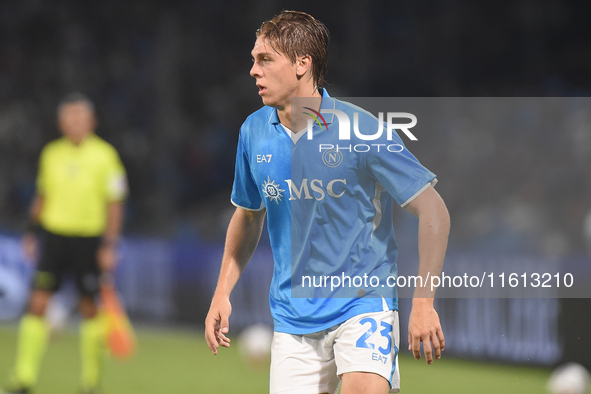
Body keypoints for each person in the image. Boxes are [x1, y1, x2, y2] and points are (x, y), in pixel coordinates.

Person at [205, 11, 450, 394]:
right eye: (254, 59)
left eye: (265, 59)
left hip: (363, 304)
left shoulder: (362, 130)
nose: (253, 70)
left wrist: (423, 301)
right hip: (292, 318)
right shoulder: (253, 131)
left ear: (303, 63)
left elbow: (433, 208)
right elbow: (249, 215)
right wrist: (222, 291)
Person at [4, 93, 128, 394]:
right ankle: (24, 379)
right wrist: (32, 232)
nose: (74, 122)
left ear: (92, 122)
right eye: (69, 117)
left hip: (87, 240)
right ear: (61, 123)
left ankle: (90, 383)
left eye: (80, 117)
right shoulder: (51, 154)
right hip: (55, 238)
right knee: (37, 305)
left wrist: (109, 245)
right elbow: (42, 196)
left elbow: (115, 204)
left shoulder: (105, 155)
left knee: (89, 309)